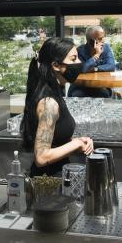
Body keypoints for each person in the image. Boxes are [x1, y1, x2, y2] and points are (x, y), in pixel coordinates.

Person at [21, 37, 94, 176]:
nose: (79, 63)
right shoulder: (49, 103)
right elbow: (41, 158)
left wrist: (77, 142)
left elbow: (54, 142)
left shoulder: (54, 92)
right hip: (48, 184)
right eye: (73, 59)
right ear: (56, 65)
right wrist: (76, 144)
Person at [69, 25, 116, 99]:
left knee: (105, 93)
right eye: (100, 39)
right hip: (81, 86)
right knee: (77, 94)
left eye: (103, 37)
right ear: (90, 41)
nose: (103, 40)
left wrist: (95, 69)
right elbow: (82, 69)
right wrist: (96, 55)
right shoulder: (79, 51)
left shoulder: (106, 47)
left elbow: (111, 66)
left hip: (101, 85)